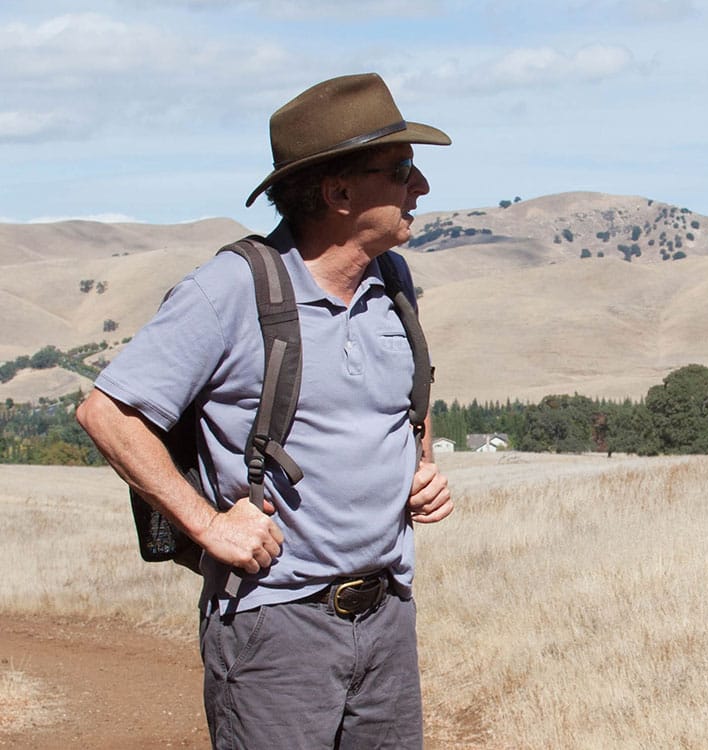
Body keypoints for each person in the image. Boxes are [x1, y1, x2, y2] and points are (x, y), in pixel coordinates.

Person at [76, 72, 455, 748]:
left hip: (389, 615)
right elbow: (107, 413)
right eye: (400, 170)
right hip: (276, 629)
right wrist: (208, 526)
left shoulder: (392, 283)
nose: (419, 187)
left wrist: (422, 465)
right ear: (337, 193)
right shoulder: (231, 290)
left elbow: (408, 394)